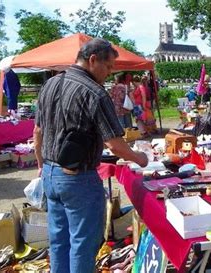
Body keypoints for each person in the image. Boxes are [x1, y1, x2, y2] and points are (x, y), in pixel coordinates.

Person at [33, 38, 148, 273]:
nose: (109, 73)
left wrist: (41, 165)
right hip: (77, 178)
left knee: (59, 241)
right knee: (83, 244)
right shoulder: (95, 93)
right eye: (107, 67)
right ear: (93, 60)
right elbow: (115, 145)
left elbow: (37, 132)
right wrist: (140, 158)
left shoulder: (50, 84)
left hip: (50, 173)